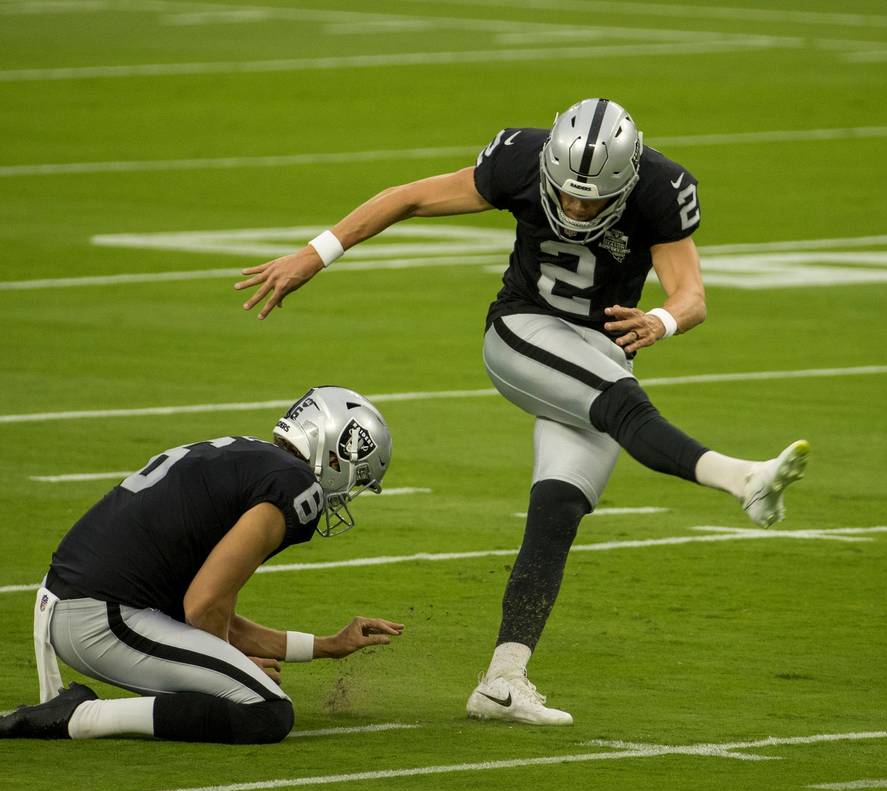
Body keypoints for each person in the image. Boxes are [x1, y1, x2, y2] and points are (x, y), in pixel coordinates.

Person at [233, 98, 809, 726]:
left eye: (592, 200)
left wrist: (662, 320)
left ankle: (503, 680)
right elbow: (408, 198)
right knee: (624, 406)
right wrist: (313, 255)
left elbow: (692, 296)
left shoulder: (660, 189)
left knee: (557, 514)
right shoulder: (520, 159)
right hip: (523, 333)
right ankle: (744, 479)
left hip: (597, 352)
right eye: (565, 194)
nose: (575, 208)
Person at [0, 386, 403, 744]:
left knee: (234, 686)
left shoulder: (249, 456)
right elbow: (203, 606)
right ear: (337, 456)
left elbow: (213, 607)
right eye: (356, 480)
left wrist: (326, 647)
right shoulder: (295, 486)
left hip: (80, 606)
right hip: (101, 618)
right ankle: (79, 716)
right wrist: (232, 660)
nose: (346, 495)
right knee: (266, 710)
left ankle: (77, 712)